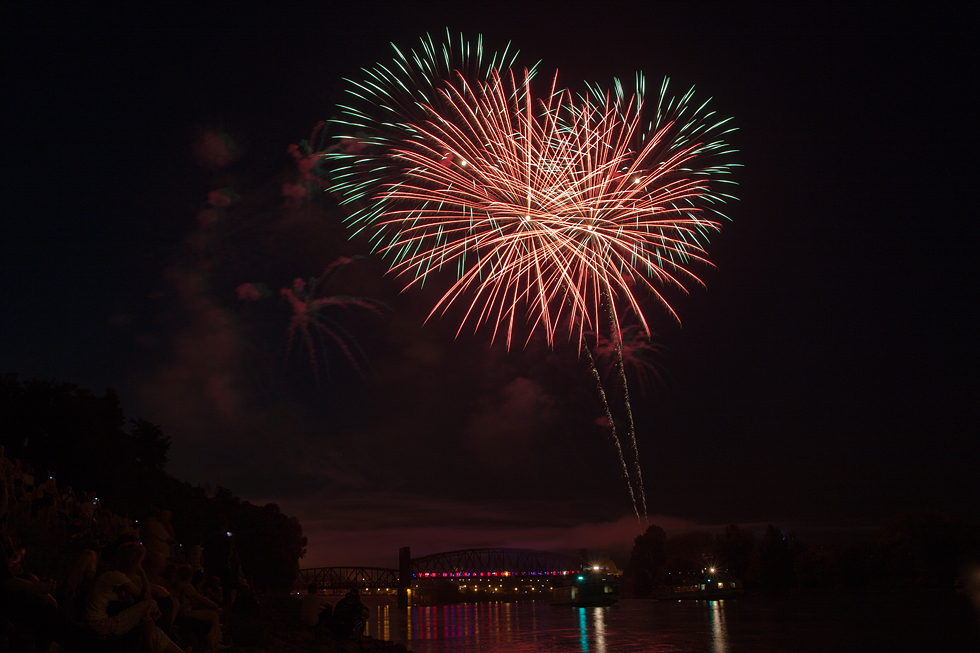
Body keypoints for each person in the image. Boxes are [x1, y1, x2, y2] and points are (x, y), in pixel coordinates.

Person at [84, 542, 188, 653]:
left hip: (102, 621)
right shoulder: (116, 576)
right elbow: (147, 598)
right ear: (134, 561)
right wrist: (142, 572)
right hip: (99, 624)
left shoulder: (116, 575)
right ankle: (148, 648)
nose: (141, 564)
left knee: (154, 632)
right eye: (141, 561)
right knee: (151, 605)